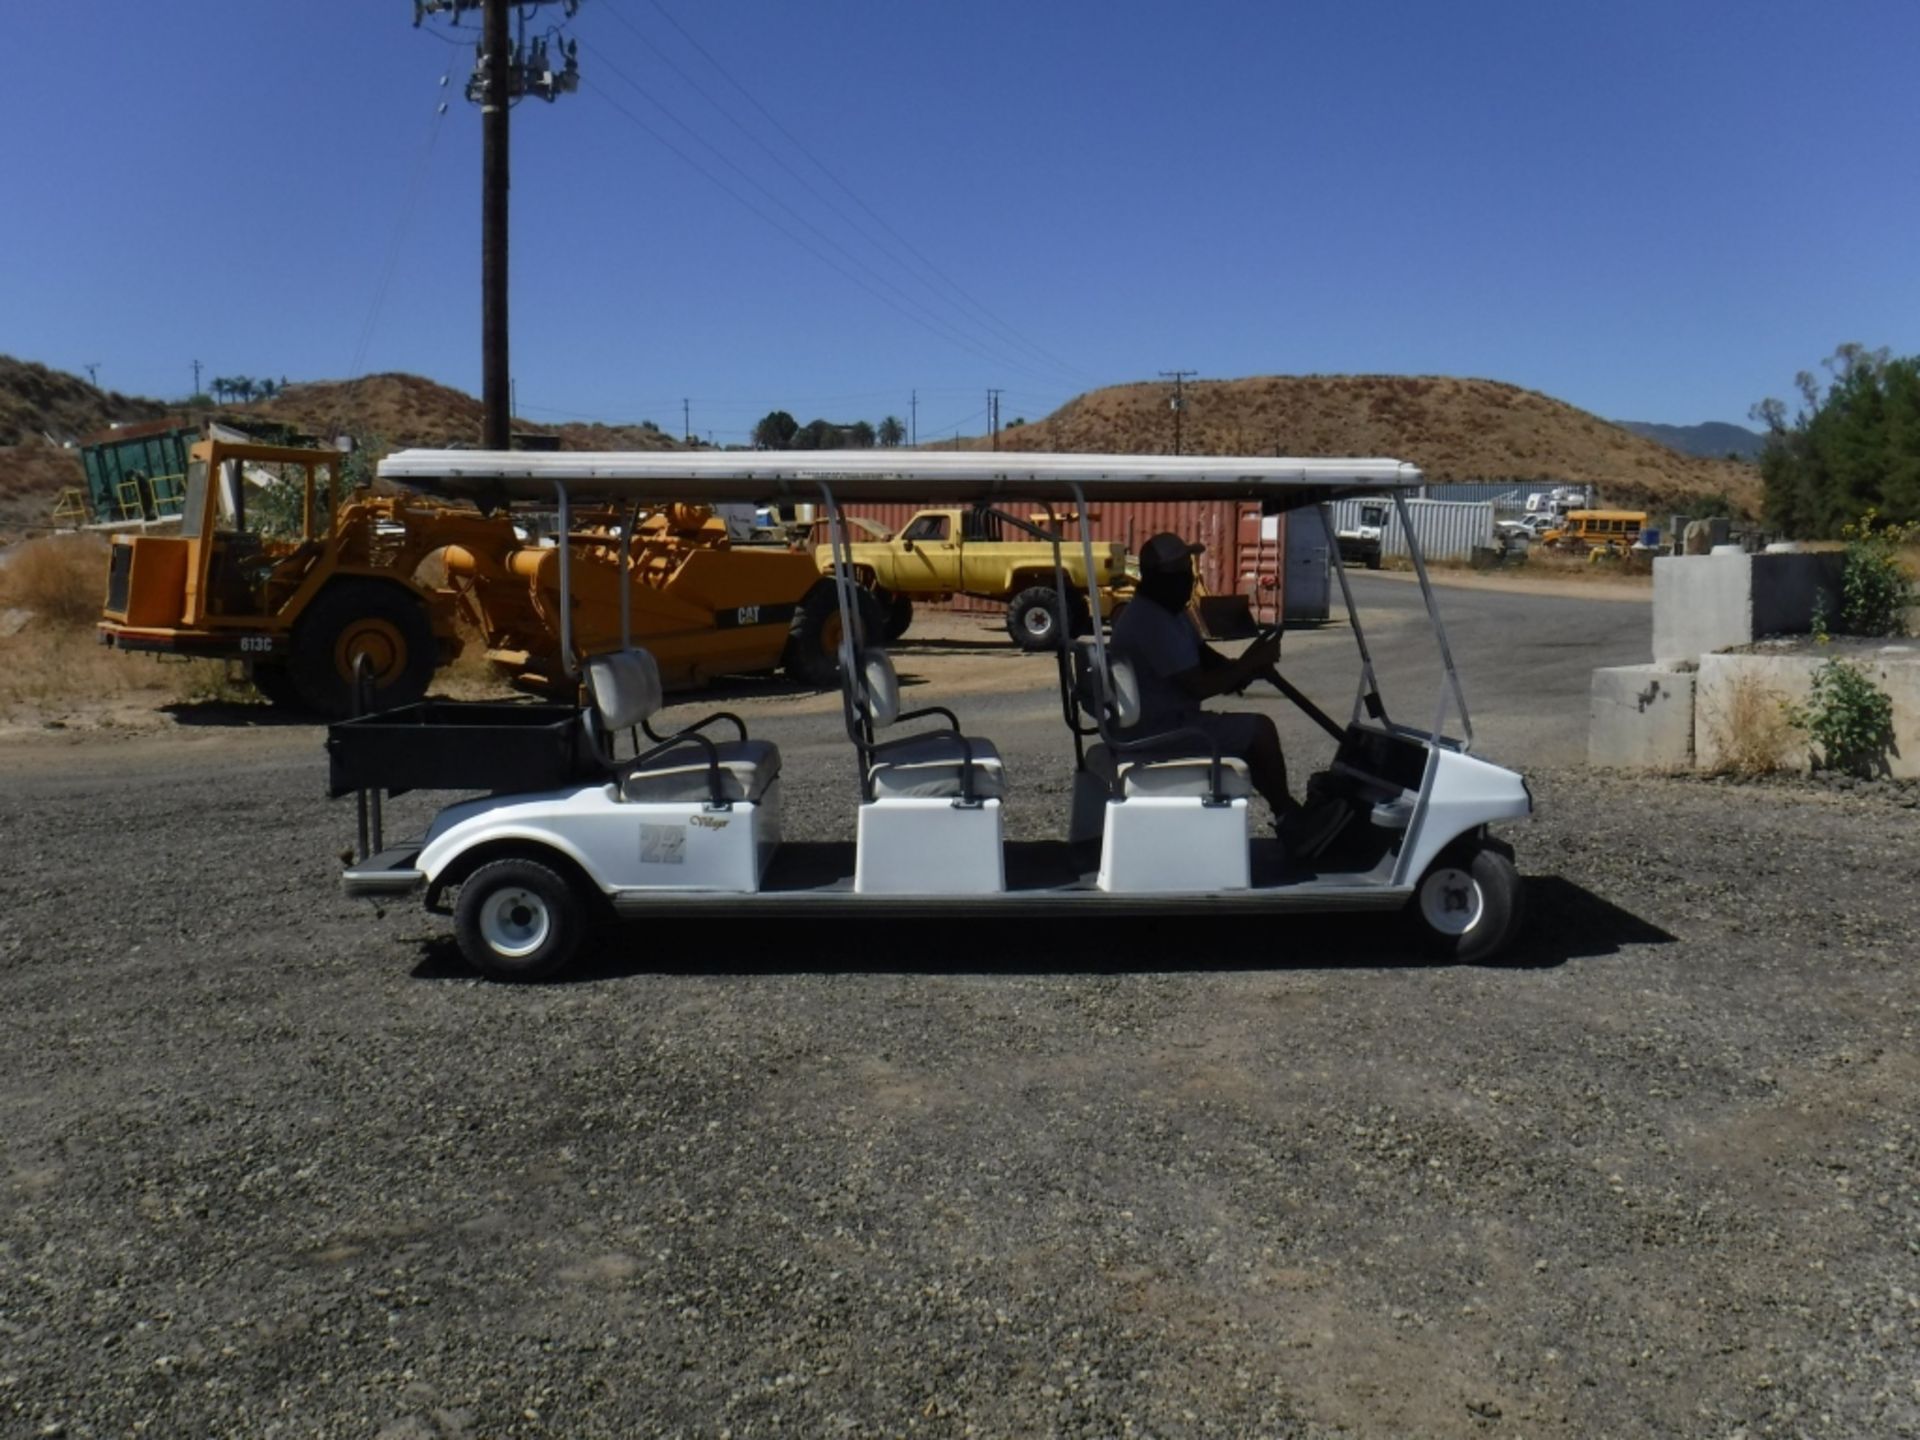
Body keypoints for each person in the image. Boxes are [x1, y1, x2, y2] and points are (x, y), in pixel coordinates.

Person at [1110, 532, 1347, 858]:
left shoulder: (1170, 614)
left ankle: (1289, 815)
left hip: (1168, 722)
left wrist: (1244, 668)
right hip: (1162, 732)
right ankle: (1292, 821)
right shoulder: (1151, 622)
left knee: (1248, 732)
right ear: (1164, 579)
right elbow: (1199, 686)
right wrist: (1248, 664)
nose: (1190, 579)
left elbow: (1206, 659)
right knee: (1260, 730)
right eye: (1183, 572)